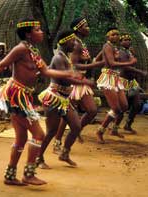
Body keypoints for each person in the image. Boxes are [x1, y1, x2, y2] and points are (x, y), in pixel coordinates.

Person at [0, 18, 80, 186]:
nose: (42, 32)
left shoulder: (32, 50)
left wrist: (68, 75)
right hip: (17, 96)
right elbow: (1, 65)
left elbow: (45, 71)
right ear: (28, 34)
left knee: (21, 138)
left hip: (24, 95)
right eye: (38, 30)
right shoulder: (21, 49)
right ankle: (28, 174)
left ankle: (10, 176)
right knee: (39, 135)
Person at [36, 30, 98, 169]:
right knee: (51, 130)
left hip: (64, 98)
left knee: (76, 126)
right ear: (64, 42)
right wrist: (84, 82)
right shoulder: (58, 58)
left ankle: (64, 153)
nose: (74, 44)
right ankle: (38, 157)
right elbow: (66, 78)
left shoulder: (65, 57)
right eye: (72, 41)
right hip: (54, 97)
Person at [53, 17, 103, 150]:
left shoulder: (80, 43)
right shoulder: (75, 43)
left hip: (81, 82)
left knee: (90, 110)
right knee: (68, 112)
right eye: (85, 26)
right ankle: (58, 141)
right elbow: (74, 65)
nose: (88, 28)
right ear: (78, 28)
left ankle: (75, 131)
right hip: (74, 82)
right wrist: (97, 64)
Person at [96, 33, 146, 143]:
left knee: (124, 106)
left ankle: (115, 129)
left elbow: (97, 59)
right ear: (107, 36)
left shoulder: (114, 48)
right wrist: (131, 62)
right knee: (116, 108)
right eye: (113, 34)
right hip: (109, 78)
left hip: (117, 78)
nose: (116, 36)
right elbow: (114, 63)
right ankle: (100, 131)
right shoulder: (108, 46)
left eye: (117, 35)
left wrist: (102, 61)